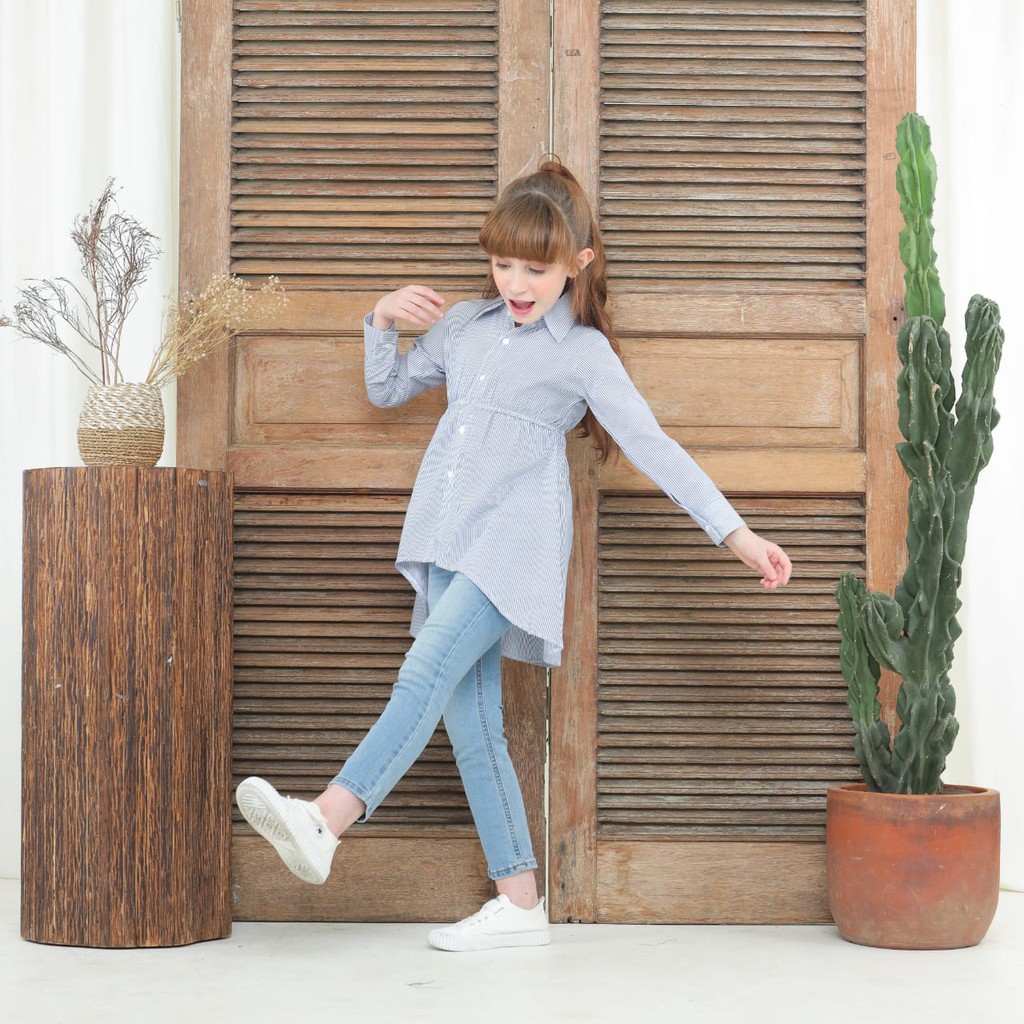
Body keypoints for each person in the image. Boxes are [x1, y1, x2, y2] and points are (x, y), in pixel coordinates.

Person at [236, 160, 792, 953]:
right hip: (447, 536)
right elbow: (389, 390)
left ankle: (328, 818)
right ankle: (520, 901)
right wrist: (381, 318)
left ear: (578, 263)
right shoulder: (466, 325)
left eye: (536, 268)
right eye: (503, 264)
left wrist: (737, 534)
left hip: (515, 542)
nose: (517, 283)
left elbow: (652, 445)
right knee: (473, 724)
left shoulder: (585, 353)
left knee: (424, 672)